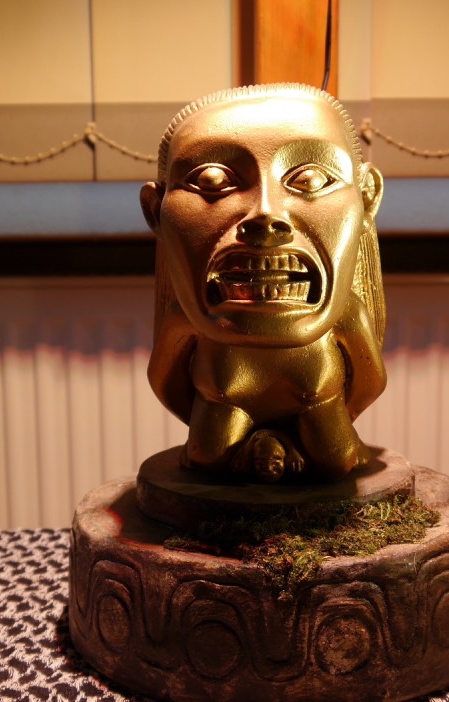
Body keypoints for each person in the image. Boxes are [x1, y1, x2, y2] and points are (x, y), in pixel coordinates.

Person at [141, 83, 387, 482]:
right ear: (155, 211)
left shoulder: (346, 315)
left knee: (337, 460)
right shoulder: (183, 319)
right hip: (225, 408)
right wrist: (202, 416)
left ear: (366, 199)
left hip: (319, 407)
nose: (265, 215)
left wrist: (340, 413)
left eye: (310, 179)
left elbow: (369, 379)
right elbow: (165, 380)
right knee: (205, 457)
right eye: (212, 182)